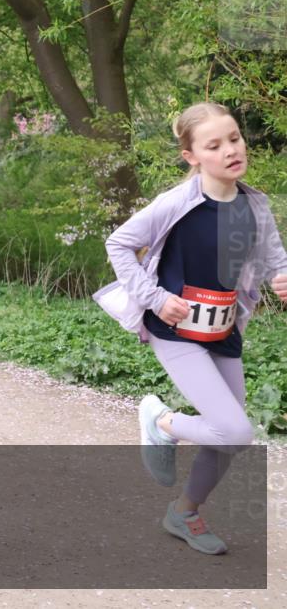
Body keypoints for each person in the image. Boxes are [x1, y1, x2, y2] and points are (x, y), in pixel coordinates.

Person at [94, 102, 287, 555]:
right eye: (214, 145)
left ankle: (184, 512)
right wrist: (156, 298)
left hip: (223, 330)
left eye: (235, 138)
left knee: (227, 440)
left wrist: (282, 279)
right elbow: (118, 243)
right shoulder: (179, 202)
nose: (230, 150)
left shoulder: (255, 205)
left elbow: (275, 260)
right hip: (174, 330)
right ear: (192, 156)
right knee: (237, 432)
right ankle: (161, 421)